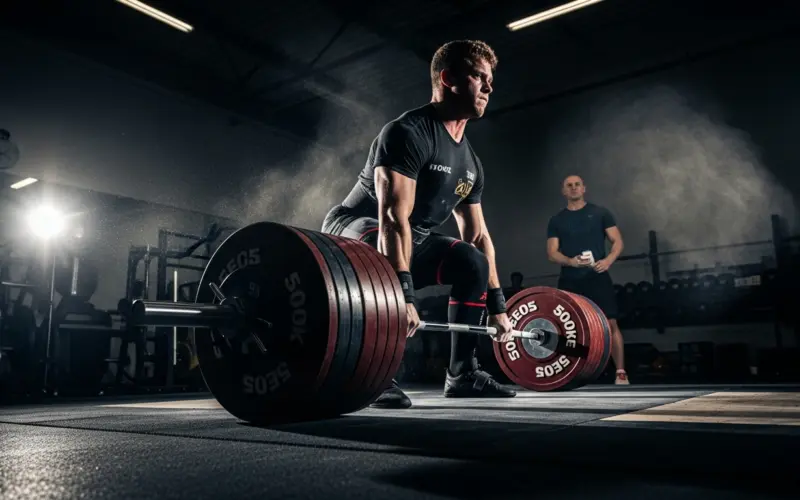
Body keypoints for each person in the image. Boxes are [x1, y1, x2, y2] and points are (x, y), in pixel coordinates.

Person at [321, 40, 517, 408]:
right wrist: (403, 296)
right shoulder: (407, 132)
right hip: (352, 231)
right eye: (479, 77)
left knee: (473, 261)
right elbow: (391, 218)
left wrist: (498, 306)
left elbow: (477, 236)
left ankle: (462, 373)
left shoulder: (471, 163)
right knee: (375, 243)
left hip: (410, 239)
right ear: (448, 78)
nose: (489, 87)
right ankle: (374, 374)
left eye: (490, 79)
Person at [546, 175, 630, 385]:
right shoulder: (557, 220)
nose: (574, 188)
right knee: (568, 328)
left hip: (597, 277)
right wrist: (571, 262)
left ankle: (620, 373)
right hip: (570, 280)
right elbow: (552, 253)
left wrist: (608, 261)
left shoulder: (600, 213)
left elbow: (618, 241)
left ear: (584, 188)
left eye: (577, 185)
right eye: (569, 185)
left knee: (610, 323)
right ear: (564, 191)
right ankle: (569, 374)